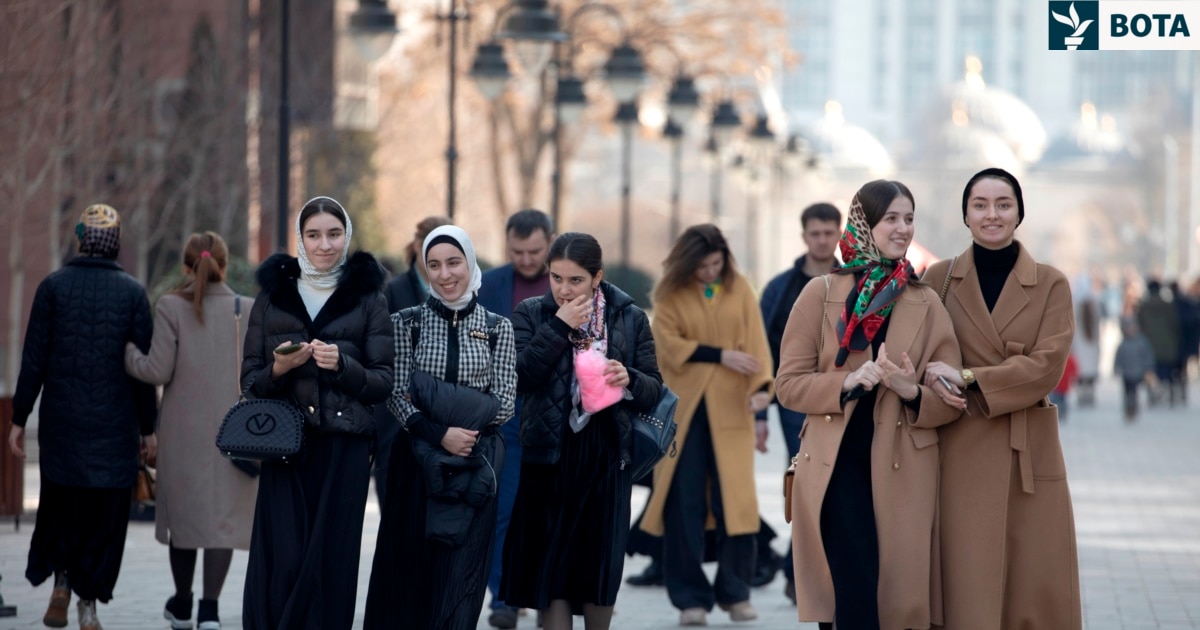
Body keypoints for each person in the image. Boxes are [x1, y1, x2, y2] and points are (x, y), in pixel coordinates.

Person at [774, 181, 964, 630]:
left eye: (909, 218)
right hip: (836, 464)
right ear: (864, 224)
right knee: (851, 592)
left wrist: (910, 389)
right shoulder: (820, 294)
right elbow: (788, 384)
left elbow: (952, 402)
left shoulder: (926, 302)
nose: (902, 229)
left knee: (898, 596)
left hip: (904, 467)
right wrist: (848, 381)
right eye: (891, 219)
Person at [922, 167, 1082, 629]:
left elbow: (1046, 367)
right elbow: (922, 357)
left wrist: (968, 375)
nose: (992, 215)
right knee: (965, 579)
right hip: (957, 447)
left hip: (1026, 451)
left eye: (1003, 204)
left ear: (1019, 212)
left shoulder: (1051, 283)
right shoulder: (939, 278)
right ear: (966, 215)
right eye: (980, 204)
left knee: (1032, 583)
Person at [240, 196, 394, 630]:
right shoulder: (273, 295)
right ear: (300, 240)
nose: (324, 244)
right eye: (313, 235)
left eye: (333, 233)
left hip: (343, 448)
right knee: (282, 559)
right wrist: (280, 367)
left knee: (331, 561)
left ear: (346, 236)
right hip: (284, 445)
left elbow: (383, 381)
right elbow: (250, 381)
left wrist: (342, 366)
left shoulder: (369, 297)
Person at [499, 232, 664, 630]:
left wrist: (630, 378)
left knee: (599, 565)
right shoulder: (530, 314)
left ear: (597, 276)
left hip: (607, 455)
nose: (563, 289)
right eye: (556, 278)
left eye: (575, 280)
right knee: (551, 567)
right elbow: (520, 377)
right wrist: (557, 328)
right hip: (549, 454)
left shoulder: (628, 316)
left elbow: (654, 388)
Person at [7, 204, 158, 630]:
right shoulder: (132, 293)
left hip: (63, 428)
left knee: (63, 508)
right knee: (102, 518)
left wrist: (19, 418)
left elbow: (33, 360)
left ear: (81, 239)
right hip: (115, 430)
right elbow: (142, 371)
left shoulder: (53, 287)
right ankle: (87, 605)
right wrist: (149, 429)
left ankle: (61, 582)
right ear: (117, 242)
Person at [364, 225, 517, 630]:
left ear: (470, 262)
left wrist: (448, 415)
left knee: (462, 574)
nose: (445, 274)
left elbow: (504, 402)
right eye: (434, 265)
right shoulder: (406, 324)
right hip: (414, 463)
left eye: (454, 263)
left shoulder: (498, 327)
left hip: (474, 464)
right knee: (408, 572)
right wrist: (439, 432)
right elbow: (395, 395)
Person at [639, 224, 773, 627]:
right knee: (685, 505)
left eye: (716, 264)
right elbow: (668, 347)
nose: (710, 272)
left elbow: (758, 347)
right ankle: (690, 598)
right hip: (683, 414)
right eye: (702, 266)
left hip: (733, 412)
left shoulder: (741, 290)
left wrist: (762, 391)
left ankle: (737, 594)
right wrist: (719, 355)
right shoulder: (669, 295)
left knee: (738, 504)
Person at [124, 232, 257, 630]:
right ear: (225, 264)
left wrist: (128, 350)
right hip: (234, 434)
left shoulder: (170, 307)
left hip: (182, 434)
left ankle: (182, 604)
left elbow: (156, 371)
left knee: (185, 522)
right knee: (221, 523)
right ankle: (211, 610)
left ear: (186, 267)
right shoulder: (246, 308)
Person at [757, 201, 841, 603]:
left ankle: (808, 569)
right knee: (806, 482)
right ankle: (798, 572)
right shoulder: (781, 287)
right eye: (815, 233)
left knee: (832, 485)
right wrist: (761, 407)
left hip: (844, 396)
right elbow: (761, 346)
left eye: (829, 233)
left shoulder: (854, 281)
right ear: (804, 235)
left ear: (840, 234)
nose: (822, 240)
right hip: (793, 399)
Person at [476, 209, 554, 629]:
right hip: (504, 414)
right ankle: (504, 598)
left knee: (548, 511)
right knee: (502, 509)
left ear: (551, 242)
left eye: (535, 251)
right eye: (517, 251)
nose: (526, 259)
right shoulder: (489, 285)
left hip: (556, 418)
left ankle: (544, 595)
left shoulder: (569, 282)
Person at [374, 215, 453, 506]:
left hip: (443, 409)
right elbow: (380, 347)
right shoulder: (393, 290)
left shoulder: (460, 289)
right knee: (395, 494)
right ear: (417, 246)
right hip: (397, 409)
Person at [1114, 318, 1156, 421]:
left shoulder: (1142, 342)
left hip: (1138, 373)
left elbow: (1147, 356)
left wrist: (1148, 368)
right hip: (1127, 373)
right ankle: (1128, 410)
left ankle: (1134, 409)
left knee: (1134, 393)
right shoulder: (1123, 343)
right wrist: (1116, 367)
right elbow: (1118, 357)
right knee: (1128, 394)